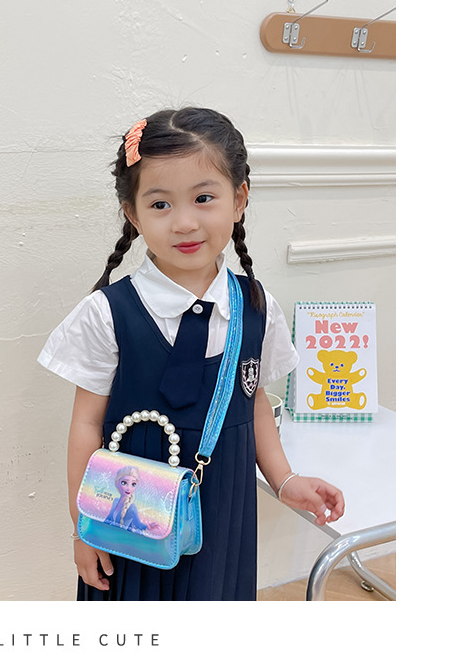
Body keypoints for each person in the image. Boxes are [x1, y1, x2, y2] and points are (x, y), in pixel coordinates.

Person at [37, 107, 345, 601]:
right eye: (160, 204)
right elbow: (85, 426)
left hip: (225, 515)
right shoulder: (107, 313)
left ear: (239, 199)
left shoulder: (257, 307)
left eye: (204, 198)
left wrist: (284, 479)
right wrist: (83, 528)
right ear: (133, 214)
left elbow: (252, 402)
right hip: (130, 518)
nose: (184, 223)